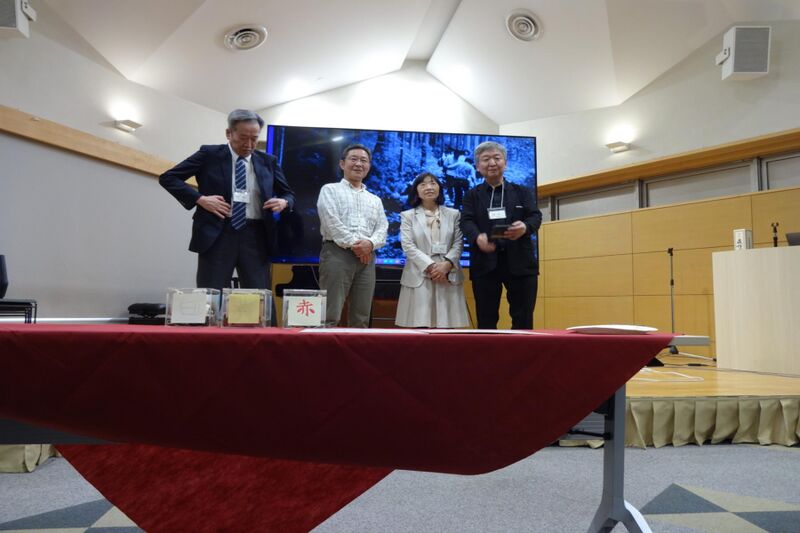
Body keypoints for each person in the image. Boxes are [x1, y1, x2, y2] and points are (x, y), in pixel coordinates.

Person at [159, 109, 295, 292]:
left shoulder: (268, 161)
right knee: (212, 292)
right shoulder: (210, 154)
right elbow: (169, 178)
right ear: (229, 133)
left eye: (254, 138)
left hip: (256, 235)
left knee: (258, 293)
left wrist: (284, 202)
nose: (249, 144)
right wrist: (200, 199)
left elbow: (288, 194)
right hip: (218, 232)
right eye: (243, 138)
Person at [460, 141, 542, 329]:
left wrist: (525, 227)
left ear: (505, 162)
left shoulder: (522, 191)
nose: (492, 163)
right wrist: (477, 237)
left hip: (520, 262)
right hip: (485, 263)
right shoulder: (472, 195)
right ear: (477, 166)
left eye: (497, 158)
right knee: (486, 321)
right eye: (486, 159)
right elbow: (466, 221)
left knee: (523, 320)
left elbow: (535, 216)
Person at [317, 144, 388, 327]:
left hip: (367, 259)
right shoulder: (329, 190)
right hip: (336, 253)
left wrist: (370, 244)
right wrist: (358, 247)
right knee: (330, 314)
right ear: (342, 163)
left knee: (361, 317)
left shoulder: (375, 199)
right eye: (353, 159)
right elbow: (331, 221)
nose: (358, 164)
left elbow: (382, 228)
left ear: (369, 166)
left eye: (364, 160)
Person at [395, 172, 469, 328]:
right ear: (416, 191)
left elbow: (458, 242)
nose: (429, 187)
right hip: (420, 274)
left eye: (433, 183)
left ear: (439, 188)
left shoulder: (454, 214)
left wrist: (447, 265)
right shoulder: (407, 216)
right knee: (420, 326)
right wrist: (431, 266)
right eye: (423, 184)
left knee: (447, 328)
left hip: (448, 274)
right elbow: (407, 245)